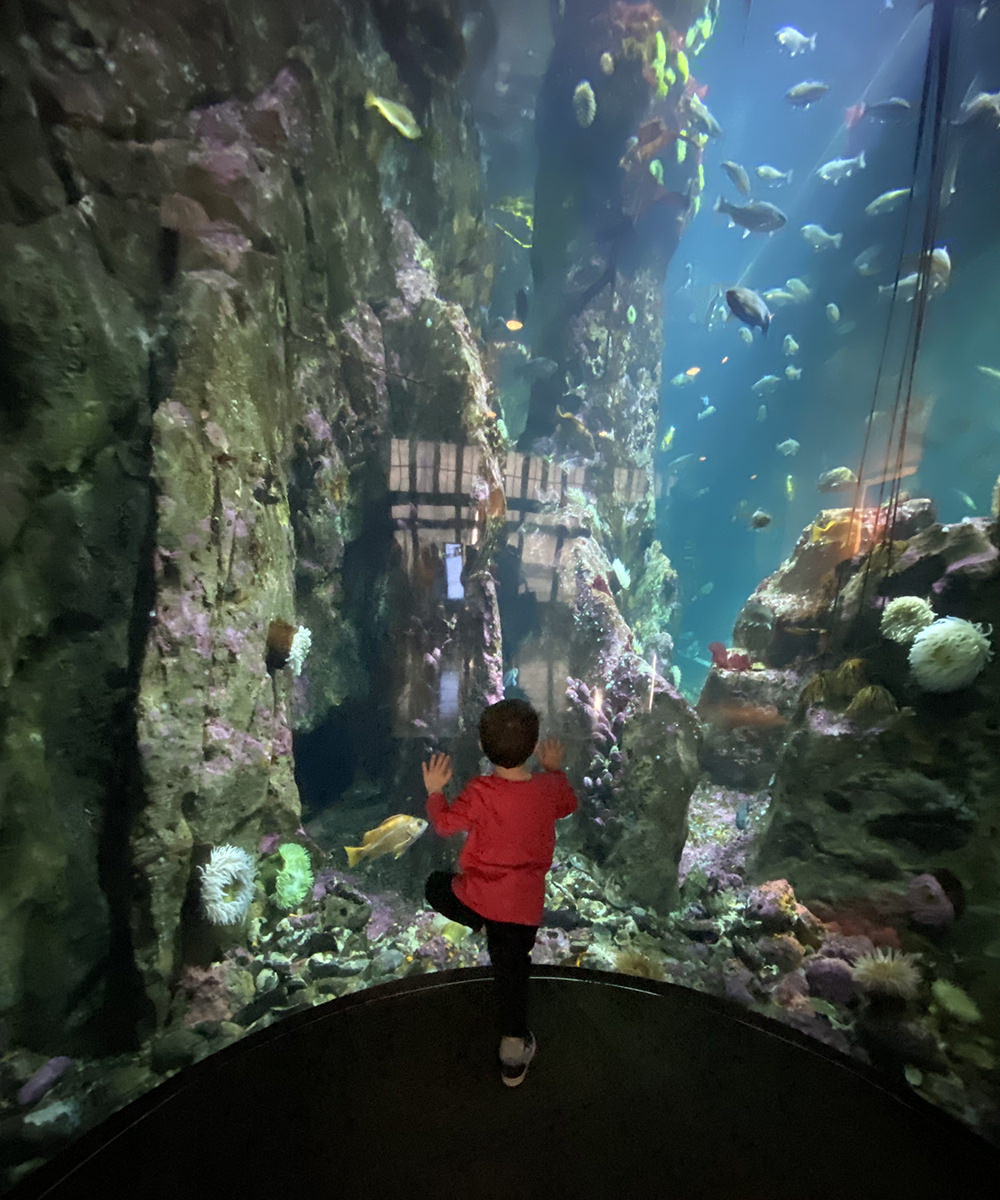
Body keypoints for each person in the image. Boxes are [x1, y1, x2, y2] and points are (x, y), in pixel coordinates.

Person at [422, 697, 578, 1087]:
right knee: (513, 974)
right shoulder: (546, 789)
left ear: (481, 746)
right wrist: (554, 770)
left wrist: (435, 791)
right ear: (535, 744)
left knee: (435, 886)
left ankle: (479, 921)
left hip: (479, 898)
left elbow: (443, 825)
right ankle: (513, 1052)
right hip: (524, 909)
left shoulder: (479, 791)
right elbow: (568, 804)